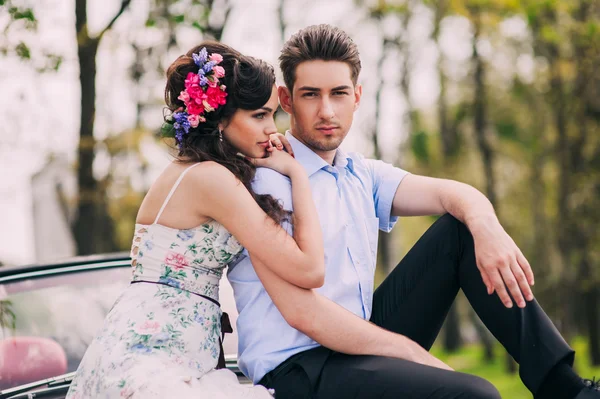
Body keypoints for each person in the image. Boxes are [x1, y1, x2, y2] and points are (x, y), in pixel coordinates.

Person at [227, 24, 600, 399]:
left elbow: (454, 194)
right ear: (286, 100)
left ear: (356, 96)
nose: (326, 111)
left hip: (358, 346)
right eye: (311, 95)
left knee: (462, 229)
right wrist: (409, 351)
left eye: (338, 93)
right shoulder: (264, 181)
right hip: (298, 368)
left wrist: (488, 229)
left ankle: (565, 390)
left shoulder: (360, 173)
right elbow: (303, 312)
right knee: (476, 395)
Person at [66, 41, 325, 399]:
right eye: (259, 115)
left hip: (146, 353)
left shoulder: (190, 172)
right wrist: (298, 175)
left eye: (273, 116)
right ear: (219, 118)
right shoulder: (211, 180)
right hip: (152, 365)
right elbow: (310, 269)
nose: (272, 130)